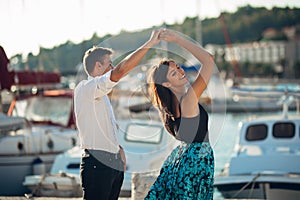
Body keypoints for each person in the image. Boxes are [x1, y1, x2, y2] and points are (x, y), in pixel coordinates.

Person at [74, 29, 161, 200]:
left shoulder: (100, 93)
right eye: (109, 63)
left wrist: (118, 150)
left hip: (112, 162)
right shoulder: (86, 89)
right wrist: (150, 43)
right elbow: (121, 70)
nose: (112, 67)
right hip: (97, 164)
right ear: (98, 66)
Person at [145, 29, 215, 199]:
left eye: (178, 67)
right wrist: (178, 40)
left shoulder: (168, 111)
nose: (181, 72)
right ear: (167, 84)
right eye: (174, 73)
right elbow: (208, 60)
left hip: (182, 161)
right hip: (195, 164)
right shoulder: (189, 99)